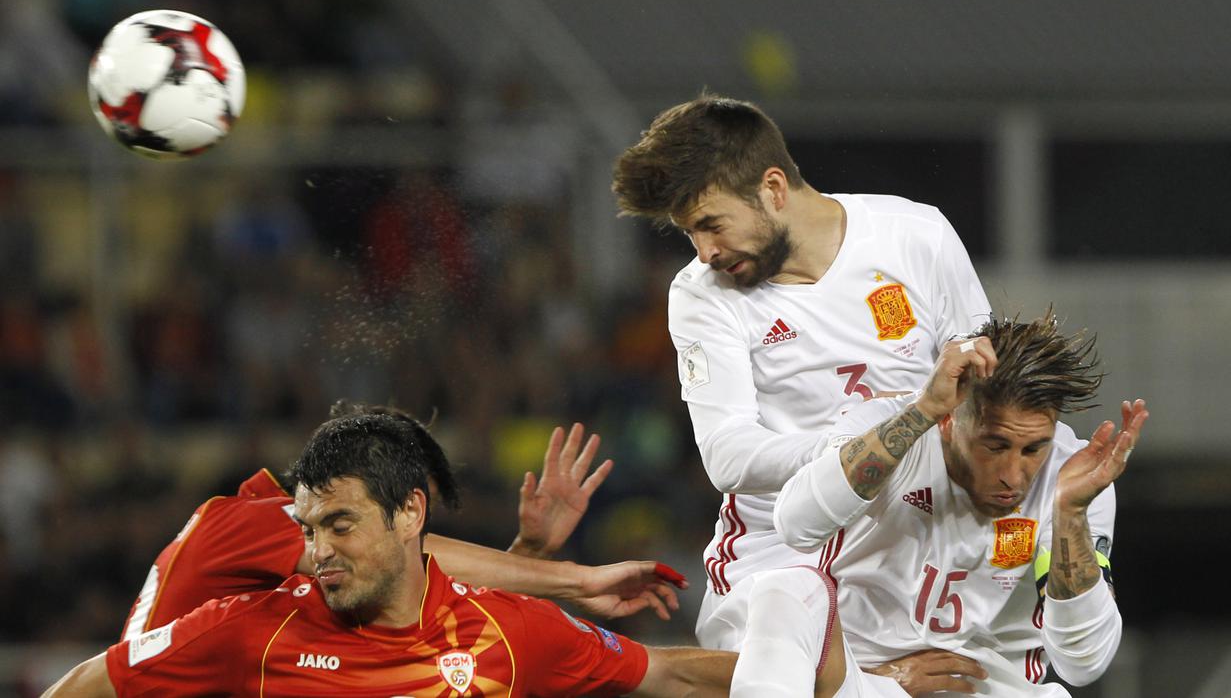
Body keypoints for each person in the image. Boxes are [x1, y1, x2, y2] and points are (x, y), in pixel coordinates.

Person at [44, 410, 852, 697]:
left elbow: (667, 673)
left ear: (409, 512)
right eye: (308, 525)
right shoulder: (245, 619)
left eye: (337, 525)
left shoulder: (504, 637)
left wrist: (817, 677)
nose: (317, 548)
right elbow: (92, 681)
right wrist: (567, 574)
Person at [612, 94, 991, 694]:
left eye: (711, 224)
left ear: (773, 188)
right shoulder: (701, 294)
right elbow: (728, 457)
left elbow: (984, 397)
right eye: (689, 233)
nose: (705, 251)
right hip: (778, 551)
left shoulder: (917, 236)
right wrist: (861, 448)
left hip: (909, 544)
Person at [774, 313, 1148, 696]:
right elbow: (795, 525)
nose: (1013, 477)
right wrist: (922, 411)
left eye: (1034, 449)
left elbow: (1084, 662)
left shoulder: (1073, 476)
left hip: (993, 686)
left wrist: (1069, 514)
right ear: (950, 420)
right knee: (776, 596)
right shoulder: (884, 429)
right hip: (860, 677)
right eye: (994, 446)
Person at [122, 405, 683, 641]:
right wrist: (574, 579)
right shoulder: (249, 523)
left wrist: (527, 551)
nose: (412, 531)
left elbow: (428, 598)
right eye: (407, 514)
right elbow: (411, 561)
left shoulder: (283, 556)